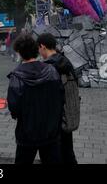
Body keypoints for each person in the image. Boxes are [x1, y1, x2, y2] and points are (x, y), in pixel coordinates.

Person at [7, 33, 64, 165]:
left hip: (27, 132)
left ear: (20, 52)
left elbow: (14, 106)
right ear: (36, 50)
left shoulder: (17, 76)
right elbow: (60, 96)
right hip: (50, 131)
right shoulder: (51, 70)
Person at [38, 33, 79, 165]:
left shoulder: (49, 67)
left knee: (54, 156)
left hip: (54, 121)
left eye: (39, 49)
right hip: (67, 116)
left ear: (42, 46)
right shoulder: (66, 62)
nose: (39, 52)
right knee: (68, 153)